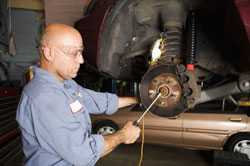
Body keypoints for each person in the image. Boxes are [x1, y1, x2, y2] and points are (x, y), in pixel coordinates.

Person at [16, 23, 141, 166]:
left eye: (81, 52)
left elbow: (96, 101)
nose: (81, 60)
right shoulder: (44, 97)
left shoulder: (65, 84)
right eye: (73, 53)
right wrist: (123, 135)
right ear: (48, 53)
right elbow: (83, 154)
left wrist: (138, 98)